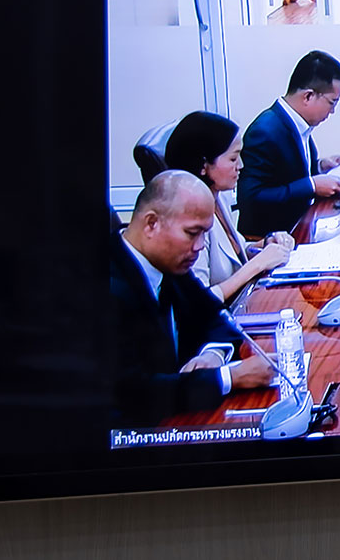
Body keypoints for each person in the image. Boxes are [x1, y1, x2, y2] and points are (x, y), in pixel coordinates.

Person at [111, 170, 275, 427]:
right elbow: (131, 394)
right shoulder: (108, 287)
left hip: (182, 419)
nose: (199, 246)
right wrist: (227, 378)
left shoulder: (170, 264)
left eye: (204, 234)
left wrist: (213, 356)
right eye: (192, 233)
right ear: (151, 224)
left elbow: (218, 318)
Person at [162, 110, 295, 304]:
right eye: (233, 159)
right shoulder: (187, 219)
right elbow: (198, 301)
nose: (241, 165)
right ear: (203, 165)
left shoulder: (218, 196)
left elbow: (234, 251)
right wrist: (257, 265)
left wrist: (266, 243)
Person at [236, 51, 340, 238]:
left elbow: (287, 173)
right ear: (308, 96)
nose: (333, 111)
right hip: (268, 239)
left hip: (299, 227)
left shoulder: (296, 124)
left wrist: (320, 167)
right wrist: (311, 185)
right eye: (332, 103)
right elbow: (251, 198)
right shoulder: (265, 131)